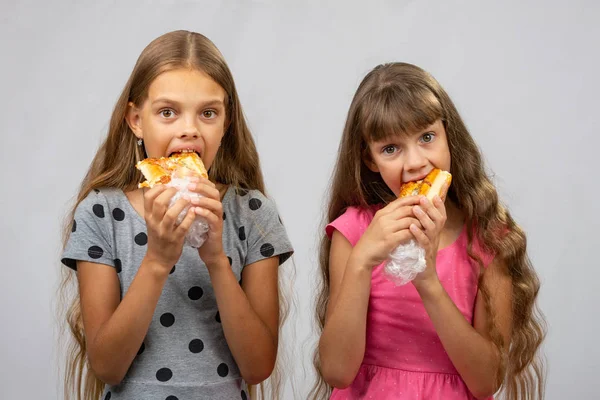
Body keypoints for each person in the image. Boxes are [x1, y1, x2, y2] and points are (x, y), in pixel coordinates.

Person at [58, 30, 293, 400]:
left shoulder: (253, 214)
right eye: (167, 112)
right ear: (136, 120)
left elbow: (258, 366)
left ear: (226, 124)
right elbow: (106, 366)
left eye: (208, 113)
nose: (189, 129)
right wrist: (156, 260)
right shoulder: (100, 213)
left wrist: (216, 259)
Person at [313, 62, 545, 400]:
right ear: (370, 160)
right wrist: (362, 261)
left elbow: (486, 382)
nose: (415, 162)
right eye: (390, 149)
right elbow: (337, 370)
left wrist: (427, 280)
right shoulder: (354, 232)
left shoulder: (489, 240)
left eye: (426, 137)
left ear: (448, 134)